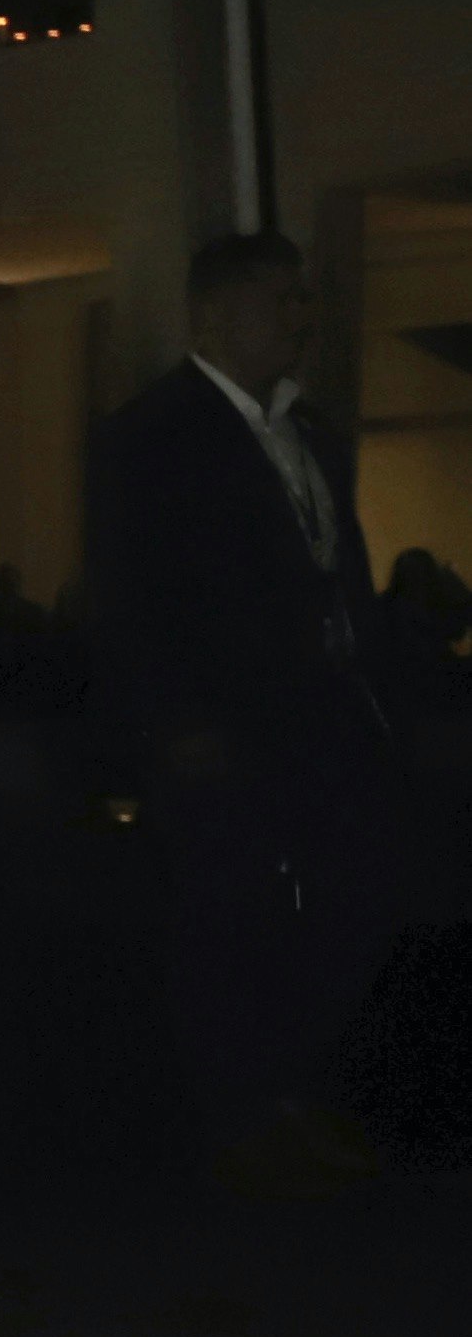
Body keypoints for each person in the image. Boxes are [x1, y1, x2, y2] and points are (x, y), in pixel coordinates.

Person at [86, 230, 432, 1184]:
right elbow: (130, 595)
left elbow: (335, 576)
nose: (302, 319)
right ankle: (250, 1108)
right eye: (282, 300)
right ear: (216, 313)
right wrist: (177, 719)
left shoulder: (307, 432)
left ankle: (276, 1093)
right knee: (233, 910)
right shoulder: (153, 435)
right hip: (227, 726)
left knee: (355, 889)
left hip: (319, 715)